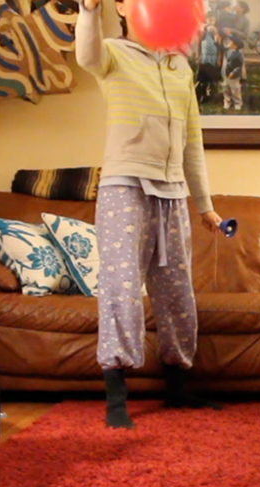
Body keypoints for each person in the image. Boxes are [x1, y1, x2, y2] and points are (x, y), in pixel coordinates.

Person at [76, 0, 226, 429]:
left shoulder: (181, 67)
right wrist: (88, 11)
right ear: (122, 6)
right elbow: (86, 56)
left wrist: (206, 207)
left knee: (177, 289)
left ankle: (178, 389)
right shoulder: (112, 54)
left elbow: (192, 143)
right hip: (125, 186)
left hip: (173, 192)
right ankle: (116, 398)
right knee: (122, 287)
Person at [221, 34, 245, 111]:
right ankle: (227, 101)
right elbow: (220, 47)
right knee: (225, 88)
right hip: (225, 73)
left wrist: (234, 72)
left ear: (235, 45)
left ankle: (237, 102)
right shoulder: (227, 51)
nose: (228, 43)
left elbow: (239, 65)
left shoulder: (238, 54)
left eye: (230, 42)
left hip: (233, 75)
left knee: (235, 89)